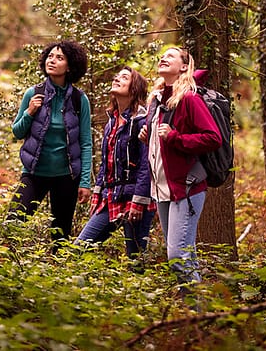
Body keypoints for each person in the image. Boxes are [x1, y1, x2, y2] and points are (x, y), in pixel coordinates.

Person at [140, 46, 221, 286]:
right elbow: (161, 144)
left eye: (171, 56)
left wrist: (175, 137)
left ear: (184, 67)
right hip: (163, 190)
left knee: (178, 257)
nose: (164, 58)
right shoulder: (156, 100)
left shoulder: (189, 98)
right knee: (185, 256)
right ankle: (194, 315)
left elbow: (212, 138)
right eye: (162, 56)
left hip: (186, 188)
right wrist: (149, 135)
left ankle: (198, 316)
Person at [9, 40, 93, 244]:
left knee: (60, 236)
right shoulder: (33, 93)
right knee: (12, 224)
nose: (52, 61)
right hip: (34, 173)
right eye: (50, 56)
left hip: (66, 176)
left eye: (59, 58)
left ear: (70, 66)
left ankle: (60, 274)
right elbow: (17, 132)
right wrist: (30, 112)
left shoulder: (79, 100)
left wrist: (84, 182)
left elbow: (85, 143)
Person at [75, 67, 155, 259]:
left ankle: (140, 289)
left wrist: (138, 200)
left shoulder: (142, 121)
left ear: (134, 88)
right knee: (78, 249)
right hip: (111, 196)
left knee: (136, 259)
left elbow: (146, 165)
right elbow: (106, 162)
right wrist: (97, 191)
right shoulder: (111, 122)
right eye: (117, 76)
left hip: (135, 199)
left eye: (124, 78)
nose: (117, 79)